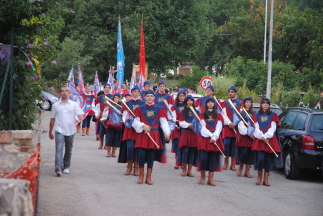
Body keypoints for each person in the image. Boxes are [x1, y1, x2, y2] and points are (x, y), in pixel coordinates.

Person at [132, 89, 171, 185]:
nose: (149, 98)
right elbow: (135, 122)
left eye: (151, 96)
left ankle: (148, 177)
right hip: (143, 134)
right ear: (144, 97)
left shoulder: (159, 108)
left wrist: (167, 133)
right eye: (148, 96)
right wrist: (142, 125)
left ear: (154, 97)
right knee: (141, 155)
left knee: (151, 156)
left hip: (154, 134)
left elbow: (163, 122)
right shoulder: (139, 108)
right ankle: (141, 176)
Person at [49, 86, 83, 176]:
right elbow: (52, 119)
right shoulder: (55, 105)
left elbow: (80, 115)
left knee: (68, 149)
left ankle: (66, 166)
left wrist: (81, 118)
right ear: (60, 93)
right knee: (59, 149)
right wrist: (50, 131)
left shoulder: (74, 104)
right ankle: (58, 167)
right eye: (63, 91)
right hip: (59, 130)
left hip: (70, 130)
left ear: (69, 93)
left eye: (66, 91)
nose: (64, 92)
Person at [252, 98, 281, 187]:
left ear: (269, 105)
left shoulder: (273, 115)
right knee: (260, 159)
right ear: (261, 105)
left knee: (268, 160)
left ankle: (266, 179)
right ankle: (259, 178)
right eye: (263, 103)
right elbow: (255, 128)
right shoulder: (256, 115)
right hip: (260, 139)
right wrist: (262, 137)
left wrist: (267, 136)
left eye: (267, 103)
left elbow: (273, 128)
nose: (265, 105)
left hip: (270, 140)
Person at [197, 97, 224, 186]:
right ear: (206, 104)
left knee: (212, 159)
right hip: (205, 138)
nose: (210, 104)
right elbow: (201, 127)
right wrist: (210, 135)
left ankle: (210, 179)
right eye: (208, 102)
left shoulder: (219, 115)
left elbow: (219, 127)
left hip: (215, 139)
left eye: (212, 102)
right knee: (204, 158)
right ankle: (202, 176)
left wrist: (215, 136)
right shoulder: (202, 115)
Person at [120, 86, 144, 175]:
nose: (136, 93)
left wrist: (140, 124)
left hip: (139, 129)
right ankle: (129, 166)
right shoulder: (127, 103)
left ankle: (136, 167)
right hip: (129, 128)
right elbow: (124, 115)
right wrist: (128, 121)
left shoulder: (143, 103)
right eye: (134, 91)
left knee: (137, 148)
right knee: (130, 148)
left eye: (138, 91)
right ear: (132, 93)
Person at [222, 86, 243, 171]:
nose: (230, 93)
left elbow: (242, 115)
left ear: (235, 93)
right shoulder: (225, 103)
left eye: (232, 92)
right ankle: (226, 162)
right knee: (226, 144)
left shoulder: (240, 103)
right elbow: (223, 114)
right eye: (229, 92)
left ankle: (233, 164)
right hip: (227, 126)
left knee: (234, 145)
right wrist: (229, 123)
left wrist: (235, 123)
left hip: (236, 126)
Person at [178, 95, 199, 177]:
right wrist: (188, 125)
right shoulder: (182, 112)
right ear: (186, 102)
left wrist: (194, 125)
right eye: (188, 101)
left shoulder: (197, 112)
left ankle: (189, 170)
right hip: (185, 132)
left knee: (192, 151)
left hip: (194, 133)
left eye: (191, 100)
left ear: (193, 102)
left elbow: (200, 122)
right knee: (185, 151)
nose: (189, 102)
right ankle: (184, 169)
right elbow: (181, 122)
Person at [236, 97, 255, 177]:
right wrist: (249, 133)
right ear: (244, 103)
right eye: (247, 102)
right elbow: (240, 126)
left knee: (251, 154)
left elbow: (256, 125)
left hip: (252, 137)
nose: (248, 104)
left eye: (250, 102)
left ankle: (247, 171)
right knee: (244, 153)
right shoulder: (241, 113)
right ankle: (241, 167)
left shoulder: (254, 114)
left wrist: (253, 133)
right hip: (244, 136)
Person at [102, 93, 123, 157]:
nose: (116, 99)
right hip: (110, 124)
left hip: (118, 125)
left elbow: (123, 115)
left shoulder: (121, 106)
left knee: (116, 138)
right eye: (115, 98)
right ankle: (108, 151)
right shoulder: (109, 105)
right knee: (110, 137)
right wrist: (105, 110)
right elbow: (104, 115)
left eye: (117, 98)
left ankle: (113, 152)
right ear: (113, 98)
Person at [171, 91, 186, 169]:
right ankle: (177, 161)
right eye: (180, 96)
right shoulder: (174, 106)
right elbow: (173, 117)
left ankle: (183, 162)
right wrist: (177, 125)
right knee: (177, 145)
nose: (182, 97)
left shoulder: (188, 106)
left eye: (183, 96)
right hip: (177, 128)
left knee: (184, 146)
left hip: (185, 128)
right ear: (178, 97)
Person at [97, 84, 113, 149]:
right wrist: (97, 113)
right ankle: (101, 143)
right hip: (102, 115)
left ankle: (107, 144)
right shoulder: (100, 96)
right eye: (106, 87)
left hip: (109, 115)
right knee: (101, 130)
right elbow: (97, 105)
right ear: (104, 88)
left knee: (108, 130)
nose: (107, 89)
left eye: (108, 88)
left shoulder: (112, 96)